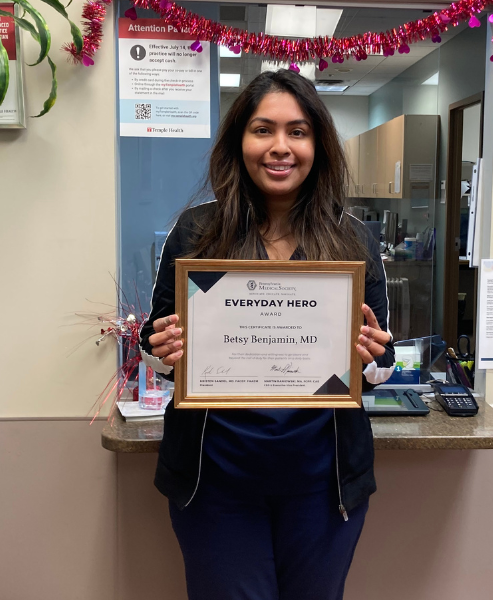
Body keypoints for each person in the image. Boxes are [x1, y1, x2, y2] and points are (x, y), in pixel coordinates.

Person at [139, 69, 396, 600]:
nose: (280, 147)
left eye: (297, 132)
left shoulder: (353, 240)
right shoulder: (195, 233)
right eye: (263, 130)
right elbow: (156, 343)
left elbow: (379, 364)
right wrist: (161, 351)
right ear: (240, 141)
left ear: (318, 145)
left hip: (323, 482)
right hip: (217, 478)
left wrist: (372, 358)